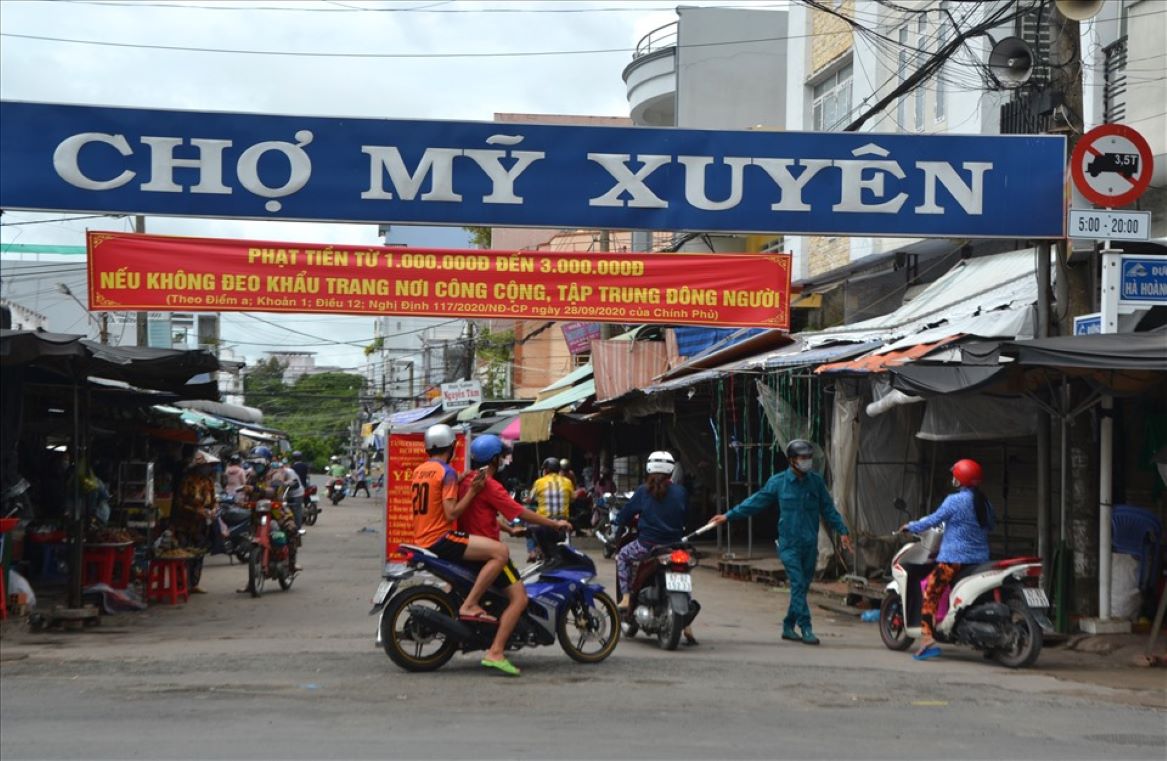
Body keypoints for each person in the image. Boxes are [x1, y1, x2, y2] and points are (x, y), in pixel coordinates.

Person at [710, 439, 853, 646]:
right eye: (803, 458)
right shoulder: (778, 482)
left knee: (802, 587)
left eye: (809, 458)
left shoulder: (816, 482)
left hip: (809, 544)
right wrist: (728, 516)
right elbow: (755, 502)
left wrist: (842, 531)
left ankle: (788, 625)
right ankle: (806, 627)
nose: (807, 462)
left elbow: (828, 509)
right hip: (788, 544)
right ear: (792, 460)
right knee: (797, 584)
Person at [412, 424, 527, 676]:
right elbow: (452, 512)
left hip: (421, 537)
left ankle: (469, 609)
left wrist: (464, 481)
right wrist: (472, 490)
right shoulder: (449, 473)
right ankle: (471, 606)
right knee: (501, 552)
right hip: (441, 538)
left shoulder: (421, 471)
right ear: (451, 447)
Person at [455, 435, 573, 675]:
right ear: (495, 459)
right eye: (501, 457)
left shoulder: (468, 480)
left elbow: (483, 514)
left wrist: (510, 529)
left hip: (471, 546)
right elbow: (519, 510)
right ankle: (496, 651)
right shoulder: (490, 485)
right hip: (487, 551)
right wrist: (553, 524)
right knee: (520, 599)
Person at [899, 458, 995, 661]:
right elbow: (990, 525)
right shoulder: (984, 502)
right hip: (980, 560)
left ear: (960, 479)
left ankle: (926, 641)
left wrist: (911, 526)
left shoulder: (955, 501)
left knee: (930, 593)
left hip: (954, 560)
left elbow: (934, 519)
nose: (953, 478)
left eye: (955, 476)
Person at [611, 451, 698, 645]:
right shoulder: (681, 491)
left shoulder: (643, 491)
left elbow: (625, 515)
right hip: (675, 546)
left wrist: (618, 521)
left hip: (647, 546)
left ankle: (625, 598)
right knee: (682, 576)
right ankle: (687, 625)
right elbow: (687, 517)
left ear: (649, 468)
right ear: (671, 470)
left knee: (623, 556)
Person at [176, 450, 219, 594]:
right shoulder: (187, 481)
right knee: (184, 553)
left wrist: (213, 510)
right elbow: (180, 503)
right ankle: (181, 583)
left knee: (199, 554)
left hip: (202, 524)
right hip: (186, 523)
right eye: (205, 466)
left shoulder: (208, 482)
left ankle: (194, 583)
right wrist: (196, 510)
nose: (208, 469)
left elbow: (214, 501)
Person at [526, 457, 569, 562]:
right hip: (563, 522)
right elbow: (573, 498)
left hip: (544, 522)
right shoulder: (567, 481)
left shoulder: (539, 482)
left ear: (545, 470)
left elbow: (529, 500)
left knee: (528, 528)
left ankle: (532, 552)